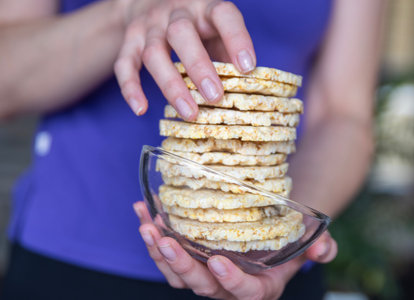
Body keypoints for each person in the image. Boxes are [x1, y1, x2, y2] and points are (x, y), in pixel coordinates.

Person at [0, 0, 384, 299]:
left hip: (274, 282)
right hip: (71, 267)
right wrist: (126, 12)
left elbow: (344, 115)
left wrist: (279, 241)